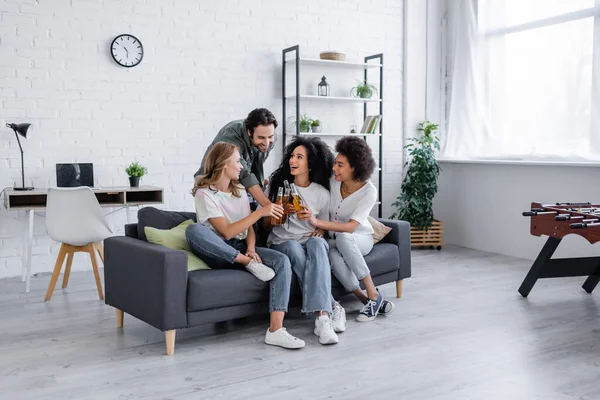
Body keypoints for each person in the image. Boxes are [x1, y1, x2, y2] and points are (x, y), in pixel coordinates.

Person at [185, 142, 305, 349]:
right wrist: (260, 212)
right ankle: (245, 263)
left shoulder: (239, 189)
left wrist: (250, 249)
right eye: (238, 161)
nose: (241, 166)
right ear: (224, 164)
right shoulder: (204, 194)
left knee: (282, 261)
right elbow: (226, 232)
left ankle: (276, 330)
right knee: (193, 230)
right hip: (219, 251)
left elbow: (249, 227)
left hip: (242, 247)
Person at [263, 137, 344, 345]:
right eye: (292, 156)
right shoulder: (277, 187)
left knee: (318, 244)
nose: (293, 160)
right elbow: (264, 225)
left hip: (308, 240)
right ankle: (330, 306)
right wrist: (279, 213)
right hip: (282, 241)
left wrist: (314, 222)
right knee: (291, 246)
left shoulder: (321, 193)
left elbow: (323, 226)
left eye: (299, 157)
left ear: (310, 164)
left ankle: (322, 319)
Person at [306, 136, 395, 322]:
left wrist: (318, 224)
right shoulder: (333, 181)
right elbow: (323, 205)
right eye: (335, 163)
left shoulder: (369, 191)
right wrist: (322, 228)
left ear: (354, 167)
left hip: (361, 238)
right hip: (336, 238)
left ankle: (372, 293)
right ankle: (367, 300)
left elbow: (352, 227)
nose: (334, 168)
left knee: (344, 237)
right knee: (330, 253)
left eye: (340, 165)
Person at [193, 108, 277, 207]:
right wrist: (269, 206)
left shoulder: (270, 136)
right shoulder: (233, 133)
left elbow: (257, 165)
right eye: (261, 138)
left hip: (238, 187)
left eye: (270, 137)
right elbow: (244, 173)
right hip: (213, 186)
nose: (267, 143)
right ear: (249, 132)